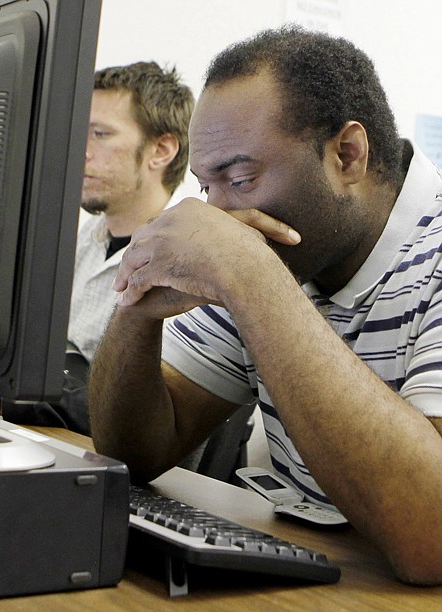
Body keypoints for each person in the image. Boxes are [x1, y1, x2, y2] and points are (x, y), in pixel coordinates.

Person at [88, 27, 442, 585]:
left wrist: (250, 276)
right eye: (208, 189)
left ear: (347, 155)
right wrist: (138, 299)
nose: (219, 214)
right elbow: (132, 450)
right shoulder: (278, 251)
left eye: (242, 177)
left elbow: (432, 538)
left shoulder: (264, 263)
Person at [0, 61, 194, 434]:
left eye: (100, 134)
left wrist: (0, 401)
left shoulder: (187, 261)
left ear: (161, 149)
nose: (80, 151)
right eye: (79, 132)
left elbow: (143, 413)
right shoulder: (87, 238)